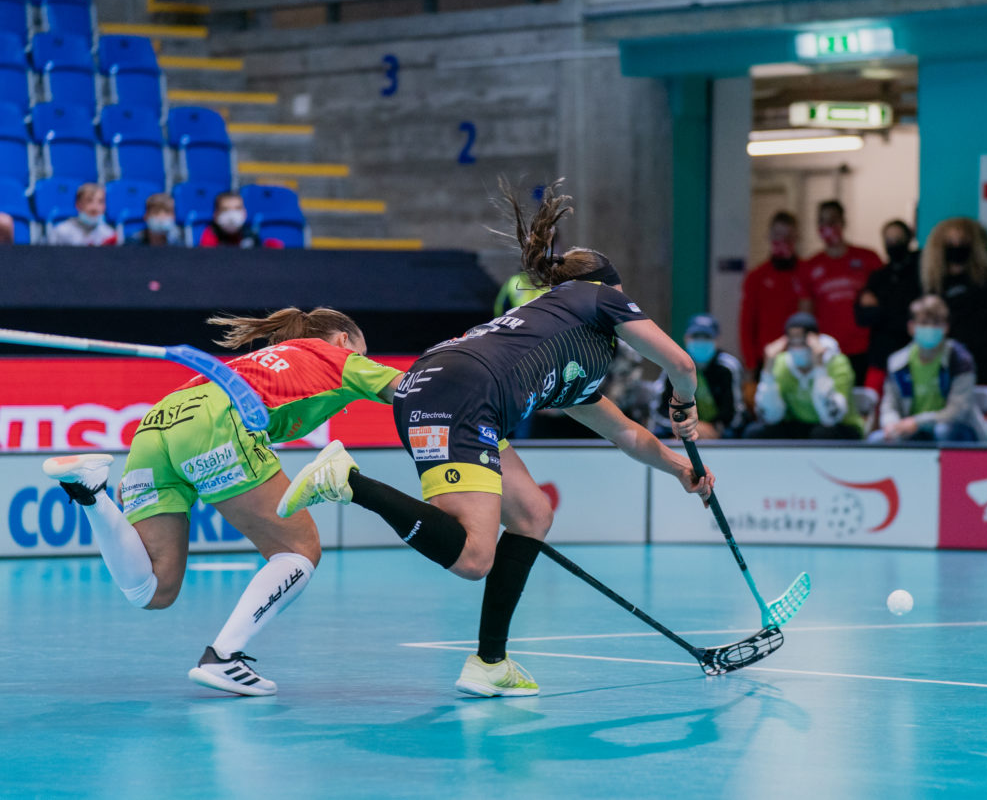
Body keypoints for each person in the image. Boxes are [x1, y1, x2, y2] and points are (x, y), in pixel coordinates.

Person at [277, 178, 714, 698]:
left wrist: (683, 470)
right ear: (613, 288)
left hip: (435, 386)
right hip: (467, 391)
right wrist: (685, 401)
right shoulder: (592, 296)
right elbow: (681, 364)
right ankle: (348, 481)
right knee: (474, 558)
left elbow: (626, 433)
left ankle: (490, 661)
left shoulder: (564, 348)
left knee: (532, 513)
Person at [43, 308, 403, 696]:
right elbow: (412, 390)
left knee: (154, 591)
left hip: (158, 422)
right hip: (217, 423)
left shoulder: (261, 363)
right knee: (298, 549)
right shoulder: (339, 358)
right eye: (364, 351)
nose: (365, 360)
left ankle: (92, 493)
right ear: (344, 340)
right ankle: (224, 657)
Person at [920, 216, 987, 394]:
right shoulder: (936, 285)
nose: (957, 246)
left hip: (986, 364)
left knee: (982, 417)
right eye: (951, 241)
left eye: (962, 240)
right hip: (949, 364)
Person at [871, 295, 987, 443]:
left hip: (955, 430)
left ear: (946, 327)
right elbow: (889, 405)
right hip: (911, 431)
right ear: (911, 327)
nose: (930, 328)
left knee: (943, 431)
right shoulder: (896, 363)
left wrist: (917, 422)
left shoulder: (959, 359)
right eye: (924, 323)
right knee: (876, 440)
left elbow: (957, 412)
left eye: (936, 324)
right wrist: (891, 425)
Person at [797, 200, 883, 385]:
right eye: (822, 221)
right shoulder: (810, 266)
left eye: (832, 221)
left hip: (865, 348)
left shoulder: (868, 258)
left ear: (843, 223)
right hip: (827, 349)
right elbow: (805, 312)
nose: (827, 227)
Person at [743, 312, 862, 440]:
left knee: (821, 434)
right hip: (799, 425)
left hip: (838, 427)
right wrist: (768, 370)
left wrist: (819, 368)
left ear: (815, 340)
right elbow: (770, 417)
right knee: (755, 432)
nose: (798, 347)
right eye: (793, 341)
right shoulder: (781, 363)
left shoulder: (837, 363)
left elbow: (830, 417)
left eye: (802, 340)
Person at [652, 313, 746, 440]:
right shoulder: (674, 365)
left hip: (718, 430)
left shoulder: (729, 367)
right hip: (680, 427)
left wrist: (715, 429)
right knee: (658, 434)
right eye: (696, 336)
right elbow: (658, 411)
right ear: (686, 338)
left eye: (706, 337)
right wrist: (685, 426)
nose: (701, 341)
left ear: (717, 339)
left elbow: (736, 414)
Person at [856, 219, 922, 396]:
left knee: (906, 405)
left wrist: (882, 309)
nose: (893, 244)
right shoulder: (878, 277)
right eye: (889, 240)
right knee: (871, 406)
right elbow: (862, 316)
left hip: (911, 354)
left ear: (908, 239)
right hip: (880, 356)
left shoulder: (920, 271)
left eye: (898, 239)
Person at [738, 211, 804, 376]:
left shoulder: (807, 273)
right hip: (766, 360)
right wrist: (750, 363)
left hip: (803, 359)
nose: (782, 242)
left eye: (788, 237)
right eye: (777, 235)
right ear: (769, 236)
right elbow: (746, 324)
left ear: (796, 238)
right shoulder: (756, 277)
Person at [46, 183, 118, 246]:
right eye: (89, 201)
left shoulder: (109, 234)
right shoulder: (62, 232)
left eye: (100, 201)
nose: (95, 207)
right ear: (78, 204)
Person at [199, 191, 273, 248]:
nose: (232, 216)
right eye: (225, 209)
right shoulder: (209, 236)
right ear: (216, 215)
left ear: (244, 212)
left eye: (237, 209)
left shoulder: (250, 234)